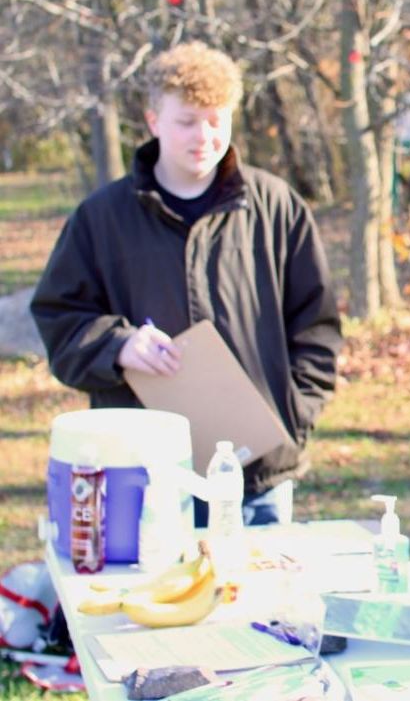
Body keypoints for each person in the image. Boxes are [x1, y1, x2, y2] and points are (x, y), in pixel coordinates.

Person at [31, 41, 343, 527]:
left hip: (256, 479)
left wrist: (292, 416)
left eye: (217, 121)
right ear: (153, 121)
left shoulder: (276, 207)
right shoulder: (102, 218)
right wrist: (117, 346)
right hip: (145, 477)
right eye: (187, 121)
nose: (204, 136)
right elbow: (60, 318)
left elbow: (317, 326)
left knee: (256, 581)